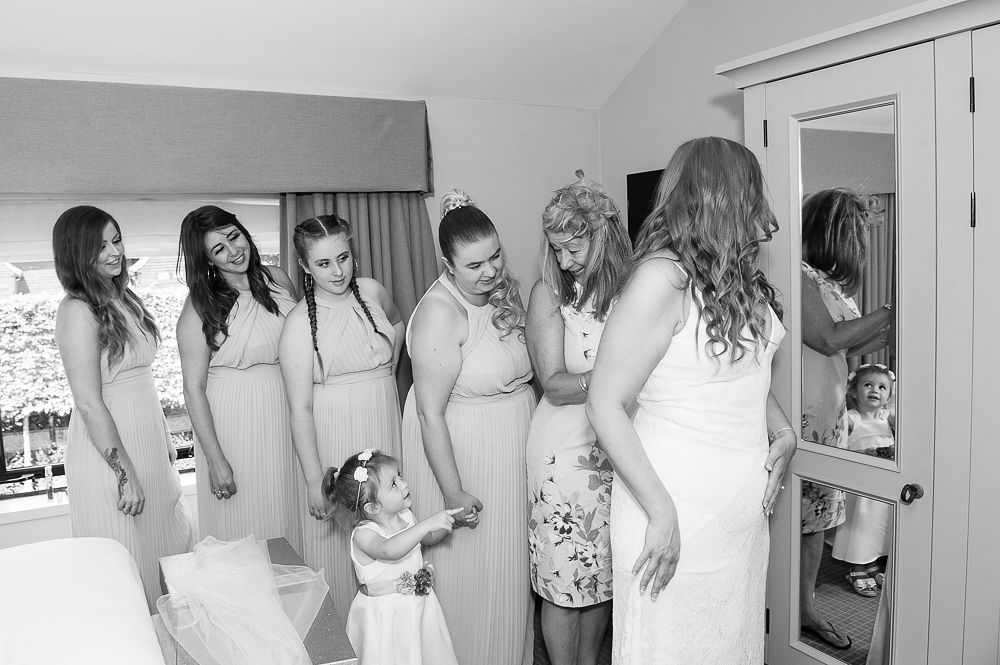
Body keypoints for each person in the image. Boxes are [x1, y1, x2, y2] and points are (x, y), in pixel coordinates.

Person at [586, 137, 797, 663]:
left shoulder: (736, 277)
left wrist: (782, 430)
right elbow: (603, 403)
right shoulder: (662, 279)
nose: (762, 208)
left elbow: (743, 375)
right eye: (751, 191)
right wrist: (661, 512)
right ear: (723, 197)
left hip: (736, 521)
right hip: (673, 507)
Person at [401, 190, 536, 665]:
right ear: (447, 265)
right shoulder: (440, 313)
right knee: (473, 579)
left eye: (495, 256)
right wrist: (453, 493)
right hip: (468, 455)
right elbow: (428, 413)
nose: (491, 271)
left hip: (510, 451)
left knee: (508, 572)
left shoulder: (498, 292)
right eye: (475, 265)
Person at [53, 205, 194, 611]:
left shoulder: (123, 297)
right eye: (101, 246)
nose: (115, 252)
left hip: (147, 443)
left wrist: (163, 436)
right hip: (109, 456)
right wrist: (124, 473)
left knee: (167, 551)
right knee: (126, 568)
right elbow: (88, 402)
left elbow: (142, 383)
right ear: (77, 252)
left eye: (116, 240)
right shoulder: (76, 310)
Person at [279, 214, 405, 626]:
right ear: (304, 266)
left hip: (382, 422)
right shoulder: (299, 322)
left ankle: (394, 637)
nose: (337, 271)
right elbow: (299, 408)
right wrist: (315, 481)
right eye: (323, 263)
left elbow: (398, 322)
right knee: (344, 545)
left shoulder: (372, 291)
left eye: (343, 258)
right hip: (337, 434)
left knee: (392, 528)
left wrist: (386, 370)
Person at [525, 171, 629, 665]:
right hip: (565, 451)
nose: (564, 261)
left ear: (602, 237)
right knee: (566, 577)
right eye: (556, 249)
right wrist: (607, 378)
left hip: (617, 448)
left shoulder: (633, 290)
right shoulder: (549, 294)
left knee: (602, 572)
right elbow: (553, 383)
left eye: (574, 248)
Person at [799, 188, 894, 649]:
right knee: (793, 521)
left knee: (816, 523)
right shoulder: (799, 275)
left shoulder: (830, 285)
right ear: (834, 233)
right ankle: (784, 609)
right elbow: (827, 338)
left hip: (830, 420)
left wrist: (889, 331)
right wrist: (888, 310)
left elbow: (848, 348)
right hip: (801, 421)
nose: (860, 249)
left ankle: (806, 609)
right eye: (856, 237)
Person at [176, 205, 302, 549]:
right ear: (207, 260)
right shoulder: (199, 305)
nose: (234, 251)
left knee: (290, 514)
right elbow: (193, 388)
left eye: (234, 237)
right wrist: (215, 459)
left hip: (287, 409)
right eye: (219, 249)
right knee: (245, 526)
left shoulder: (277, 278)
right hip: (235, 420)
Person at [323, 448, 461, 665]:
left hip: (418, 608)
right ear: (373, 506)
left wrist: (446, 523)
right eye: (394, 484)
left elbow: (428, 538)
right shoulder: (364, 534)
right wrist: (426, 524)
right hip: (385, 616)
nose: (404, 484)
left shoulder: (406, 516)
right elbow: (389, 550)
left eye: (400, 476)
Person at [832, 363, 895, 596]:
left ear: (889, 396)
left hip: (883, 483)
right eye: (868, 385)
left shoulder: (887, 417)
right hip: (861, 486)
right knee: (861, 526)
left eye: (882, 387)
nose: (875, 390)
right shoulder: (852, 418)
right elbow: (838, 434)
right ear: (853, 391)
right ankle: (857, 568)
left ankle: (872, 564)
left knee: (878, 526)